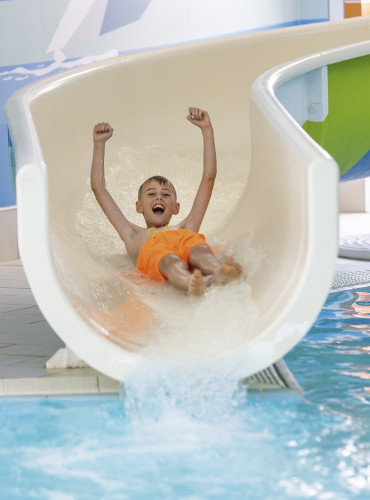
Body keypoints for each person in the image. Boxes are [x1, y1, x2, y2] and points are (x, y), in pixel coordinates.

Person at [90, 107, 242, 295]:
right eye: (151, 194)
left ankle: (218, 271)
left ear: (176, 208)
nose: (159, 197)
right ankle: (190, 282)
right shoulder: (131, 234)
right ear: (139, 207)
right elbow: (99, 188)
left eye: (166, 194)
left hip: (185, 241)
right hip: (156, 253)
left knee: (200, 250)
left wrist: (207, 131)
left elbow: (208, 178)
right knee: (170, 262)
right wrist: (99, 144)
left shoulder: (186, 227)